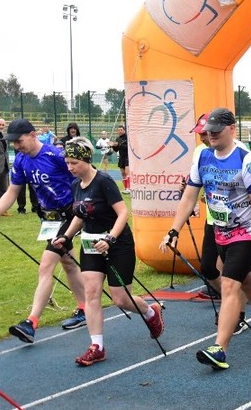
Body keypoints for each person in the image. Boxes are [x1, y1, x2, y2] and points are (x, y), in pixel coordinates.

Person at [160, 107, 251, 370]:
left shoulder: (246, 160)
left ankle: (220, 349)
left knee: (229, 285)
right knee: (249, 283)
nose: (211, 135)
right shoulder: (202, 156)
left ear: (231, 129)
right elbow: (189, 196)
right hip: (220, 232)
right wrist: (173, 230)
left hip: (245, 234)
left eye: (216, 131)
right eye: (209, 131)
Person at [51, 137, 164, 366]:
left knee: (120, 299)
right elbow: (80, 215)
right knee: (91, 292)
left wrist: (110, 238)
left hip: (118, 244)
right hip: (90, 245)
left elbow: (123, 213)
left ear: (86, 160)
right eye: (67, 163)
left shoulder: (103, 181)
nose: (70, 167)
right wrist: (66, 236)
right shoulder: (76, 185)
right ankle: (97, 346)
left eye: (74, 163)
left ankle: (150, 312)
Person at [0, 119, 88, 342]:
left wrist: (86, 207)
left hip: (69, 216)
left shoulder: (56, 155)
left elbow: (85, 176)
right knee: (69, 263)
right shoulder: (21, 160)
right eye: (13, 142)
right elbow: (12, 191)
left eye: (19, 141)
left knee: (46, 265)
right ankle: (85, 308)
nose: (16, 146)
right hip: (49, 219)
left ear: (33, 135)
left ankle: (31, 322)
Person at [188, 113, 248, 334]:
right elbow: (197, 182)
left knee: (236, 276)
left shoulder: (239, 151)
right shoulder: (200, 152)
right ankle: (231, 303)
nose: (205, 138)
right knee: (207, 267)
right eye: (202, 134)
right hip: (214, 219)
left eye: (207, 133)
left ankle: (237, 314)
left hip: (238, 224)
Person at [111, 125, 130, 194]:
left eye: (121, 130)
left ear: (124, 130)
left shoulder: (128, 137)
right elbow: (116, 150)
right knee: (123, 173)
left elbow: (128, 147)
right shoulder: (118, 139)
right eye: (118, 130)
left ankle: (129, 188)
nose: (120, 131)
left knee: (127, 172)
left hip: (128, 157)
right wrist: (113, 145)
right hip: (121, 157)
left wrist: (119, 144)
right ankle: (125, 188)